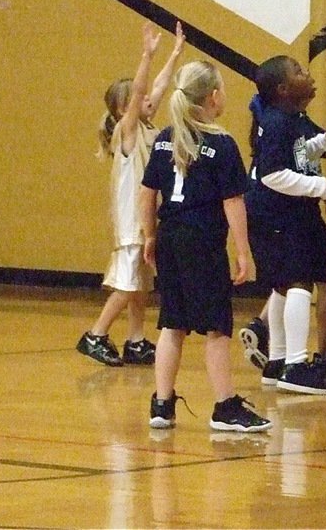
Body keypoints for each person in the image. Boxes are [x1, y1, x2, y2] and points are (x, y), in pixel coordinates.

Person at [140, 59, 270, 432]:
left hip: (170, 236)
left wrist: (150, 235)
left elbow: (147, 193)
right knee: (216, 327)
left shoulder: (165, 137)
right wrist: (243, 252)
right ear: (213, 97)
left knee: (172, 323)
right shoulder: (222, 144)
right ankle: (225, 406)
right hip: (202, 242)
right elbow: (233, 202)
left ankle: (162, 403)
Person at [246, 55, 326, 395]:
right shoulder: (278, 122)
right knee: (297, 281)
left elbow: (300, 153)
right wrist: (322, 187)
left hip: (289, 212)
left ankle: (276, 362)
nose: (307, 74)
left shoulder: (292, 118)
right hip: (278, 212)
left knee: (285, 283)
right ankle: (294, 365)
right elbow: (273, 174)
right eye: (299, 72)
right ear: (282, 89)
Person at [78, 21, 184, 367]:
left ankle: (136, 340)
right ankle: (95, 334)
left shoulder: (150, 129)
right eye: (139, 100)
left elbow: (157, 86)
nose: (149, 99)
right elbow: (142, 88)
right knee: (127, 284)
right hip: (130, 222)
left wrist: (175, 53)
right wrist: (147, 55)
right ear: (124, 108)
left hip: (146, 219)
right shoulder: (127, 132)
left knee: (140, 282)